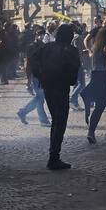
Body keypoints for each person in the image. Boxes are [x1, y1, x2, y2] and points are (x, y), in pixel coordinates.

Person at [33, 23, 80, 170]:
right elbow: (74, 69)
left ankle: (54, 155)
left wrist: (40, 76)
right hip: (61, 87)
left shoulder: (46, 47)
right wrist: (69, 79)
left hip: (48, 87)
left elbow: (34, 60)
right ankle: (54, 157)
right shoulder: (71, 50)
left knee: (56, 120)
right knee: (60, 122)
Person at [17, 28, 51, 126]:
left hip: (43, 75)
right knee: (40, 97)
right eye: (39, 34)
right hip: (35, 75)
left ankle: (23, 112)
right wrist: (28, 80)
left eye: (43, 34)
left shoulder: (45, 46)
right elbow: (28, 63)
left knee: (39, 97)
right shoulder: (31, 47)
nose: (41, 36)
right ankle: (43, 120)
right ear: (35, 35)